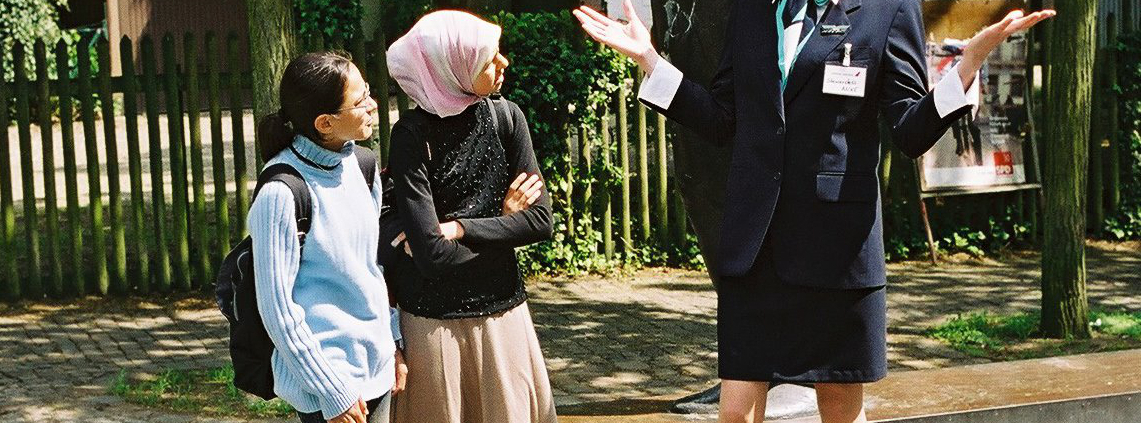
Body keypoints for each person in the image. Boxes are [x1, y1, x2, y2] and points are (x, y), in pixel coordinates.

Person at [574, 1, 1053, 422]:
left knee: (840, 411)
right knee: (736, 413)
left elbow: (909, 131)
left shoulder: (887, 8)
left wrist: (965, 68)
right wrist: (649, 60)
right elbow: (722, 119)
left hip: (837, 248)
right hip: (754, 243)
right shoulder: (753, 9)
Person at [384, 10, 558, 423]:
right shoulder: (411, 135)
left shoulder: (506, 117)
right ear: (452, 68)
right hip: (434, 326)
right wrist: (503, 222)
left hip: (504, 317)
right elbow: (431, 256)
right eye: (489, 59)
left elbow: (541, 222)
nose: (504, 64)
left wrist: (461, 228)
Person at [248, 51, 404, 423]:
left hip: (376, 367)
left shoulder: (364, 166)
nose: (373, 104)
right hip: (328, 383)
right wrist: (333, 391)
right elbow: (278, 311)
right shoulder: (282, 193)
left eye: (368, 91)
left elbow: (373, 268)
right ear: (325, 123)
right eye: (359, 99)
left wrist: (393, 343)